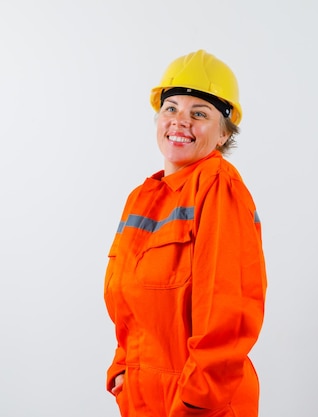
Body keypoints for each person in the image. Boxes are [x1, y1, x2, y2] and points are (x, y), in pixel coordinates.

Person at [103, 50, 267, 417]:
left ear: (224, 134)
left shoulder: (217, 186)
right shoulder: (143, 198)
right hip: (144, 396)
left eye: (199, 114)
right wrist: (122, 367)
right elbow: (129, 300)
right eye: (171, 108)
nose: (180, 121)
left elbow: (229, 310)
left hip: (199, 402)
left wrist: (197, 403)